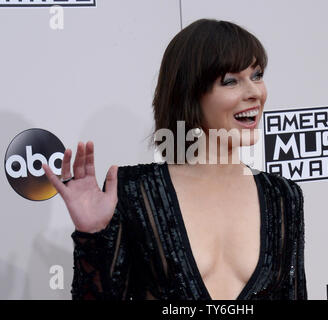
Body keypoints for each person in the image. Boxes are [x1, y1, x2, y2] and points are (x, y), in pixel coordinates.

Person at [42, 18, 307, 300]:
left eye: (257, 75)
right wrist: (93, 237)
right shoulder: (133, 191)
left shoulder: (283, 196)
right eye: (231, 81)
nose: (254, 92)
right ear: (191, 93)